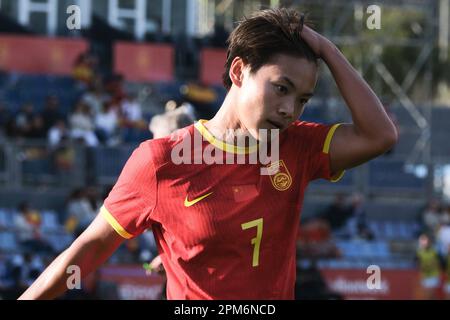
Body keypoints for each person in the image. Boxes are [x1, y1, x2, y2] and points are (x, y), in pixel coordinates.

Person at [19, 8, 397, 300]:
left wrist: (328, 50)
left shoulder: (297, 146)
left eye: (302, 99)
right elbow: (89, 247)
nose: (290, 109)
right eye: (281, 88)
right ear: (238, 71)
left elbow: (380, 135)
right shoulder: (160, 162)